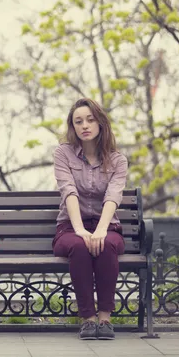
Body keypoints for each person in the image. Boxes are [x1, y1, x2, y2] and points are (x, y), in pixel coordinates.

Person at [52, 98, 128, 340]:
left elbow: (113, 196)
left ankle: (105, 319)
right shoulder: (63, 154)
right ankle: (87, 319)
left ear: (100, 123)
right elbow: (68, 191)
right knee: (79, 246)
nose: (84, 125)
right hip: (70, 228)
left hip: (107, 226)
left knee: (105, 246)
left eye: (90, 119)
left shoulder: (117, 160)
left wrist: (101, 230)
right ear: (72, 127)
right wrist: (80, 230)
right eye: (78, 121)